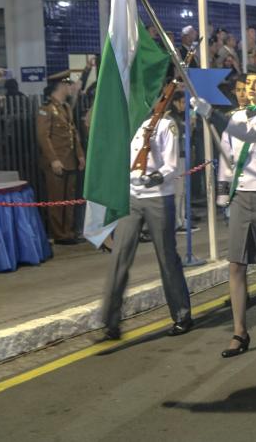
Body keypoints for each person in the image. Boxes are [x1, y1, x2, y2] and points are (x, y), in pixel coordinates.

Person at [194, 65, 256, 357]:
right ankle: (240, 332)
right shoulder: (234, 117)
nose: (251, 88)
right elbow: (227, 157)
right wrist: (224, 192)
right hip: (241, 196)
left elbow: (251, 135)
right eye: (248, 83)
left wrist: (211, 115)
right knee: (236, 264)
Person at [101, 88, 193, 341]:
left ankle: (182, 314)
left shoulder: (166, 124)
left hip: (157, 198)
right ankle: (110, 321)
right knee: (119, 256)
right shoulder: (131, 122)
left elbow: (172, 164)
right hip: (131, 197)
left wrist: (155, 177)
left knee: (166, 257)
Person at [36, 71, 85, 244]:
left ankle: (69, 231)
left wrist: (80, 155)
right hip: (56, 162)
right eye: (68, 84)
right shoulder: (46, 109)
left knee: (69, 198)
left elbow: (73, 133)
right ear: (61, 86)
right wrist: (53, 159)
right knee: (57, 199)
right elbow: (43, 136)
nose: (71, 87)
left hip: (69, 161)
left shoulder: (64, 108)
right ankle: (60, 234)